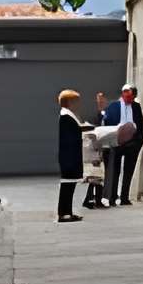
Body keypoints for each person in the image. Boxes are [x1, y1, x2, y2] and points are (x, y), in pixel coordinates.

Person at [101, 86, 143, 210]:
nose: (130, 99)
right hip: (116, 141)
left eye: (132, 97)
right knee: (114, 170)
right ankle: (112, 197)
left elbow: (141, 124)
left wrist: (139, 141)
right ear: (123, 94)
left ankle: (124, 197)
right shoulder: (113, 106)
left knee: (129, 170)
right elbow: (107, 122)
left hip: (132, 143)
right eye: (128, 96)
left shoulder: (136, 107)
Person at [54, 88, 87, 222]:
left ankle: (67, 212)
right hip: (69, 157)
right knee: (67, 187)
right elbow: (70, 137)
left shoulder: (68, 115)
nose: (78, 104)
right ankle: (63, 214)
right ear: (69, 102)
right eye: (76, 101)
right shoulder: (66, 117)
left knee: (70, 186)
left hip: (69, 156)